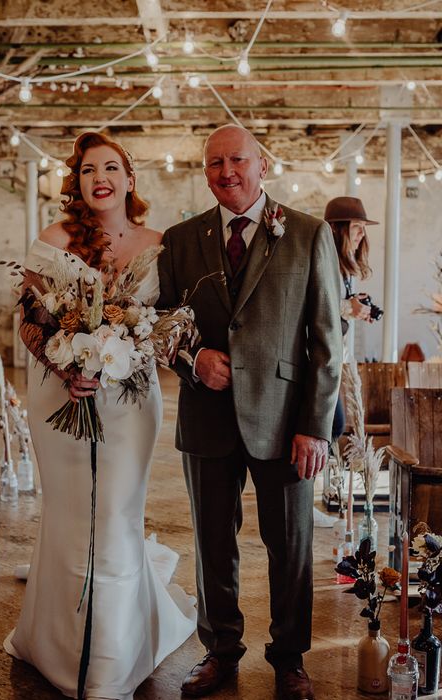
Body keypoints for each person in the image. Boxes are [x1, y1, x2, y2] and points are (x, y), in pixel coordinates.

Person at [4, 132, 196, 700]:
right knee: (67, 515)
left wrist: (132, 350)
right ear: (77, 181)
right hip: (59, 396)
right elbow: (31, 321)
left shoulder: (162, 243)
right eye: (89, 170)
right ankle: (58, 643)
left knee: (114, 515)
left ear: (130, 179)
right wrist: (67, 367)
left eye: (111, 168)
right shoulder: (54, 239)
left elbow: (174, 324)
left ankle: (109, 660)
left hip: (130, 400)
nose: (100, 179)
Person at [157, 125, 342, 700]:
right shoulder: (181, 239)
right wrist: (193, 360)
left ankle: (289, 658)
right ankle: (220, 651)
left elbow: (327, 341)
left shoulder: (309, 234)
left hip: (287, 419)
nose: (226, 172)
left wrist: (315, 426)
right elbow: (161, 326)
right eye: (214, 163)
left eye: (237, 160)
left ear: (263, 165)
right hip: (207, 414)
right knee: (213, 539)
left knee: (290, 542)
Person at [324, 195, 380, 439]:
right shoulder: (325, 262)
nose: (362, 235)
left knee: (334, 426)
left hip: (336, 359)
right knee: (334, 425)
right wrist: (349, 307)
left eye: (364, 229)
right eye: (357, 227)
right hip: (320, 360)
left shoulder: (345, 269)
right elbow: (317, 305)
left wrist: (356, 306)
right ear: (337, 229)